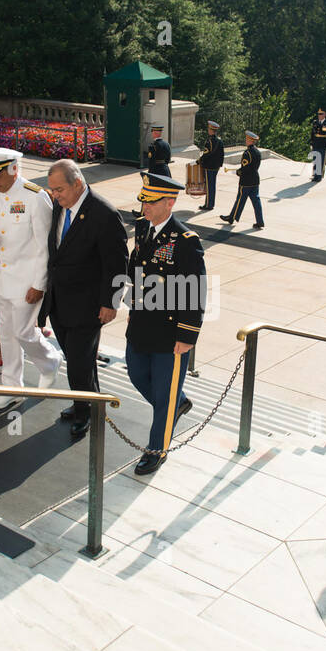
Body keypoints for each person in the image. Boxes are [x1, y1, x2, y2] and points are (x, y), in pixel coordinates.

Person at [124, 174, 205, 475]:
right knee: (136, 374)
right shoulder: (143, 228)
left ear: (169, 203)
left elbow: (195, 291)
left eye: (151, 200)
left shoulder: (186, 241)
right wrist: (132, 306)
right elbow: (136, 271)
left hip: (170, 334)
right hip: (142, 324)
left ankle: (157, 450)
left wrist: (187, 335)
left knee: (164, 393)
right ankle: (177, 403)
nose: (144, 205)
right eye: (143, 198)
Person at [45, 159, 128, 440]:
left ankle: (86, 415)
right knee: (77, 359)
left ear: (77, 184)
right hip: (59, 300)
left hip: (88, 305)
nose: (55, 195)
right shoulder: (60, 205)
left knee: (80, 362)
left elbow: (117, 264)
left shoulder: (104, 214)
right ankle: (86, 402)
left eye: (59, 190)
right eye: (52, 190)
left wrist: (111, 303)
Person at [0, 148, 62, 409]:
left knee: (24, 332)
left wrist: (39, 284)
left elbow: (46, 246)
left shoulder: (35, 197)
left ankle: (50, 361)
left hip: (28, 279)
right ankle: (12, 386)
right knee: (6, 334)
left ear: (13, 169)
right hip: (2, 277)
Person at [220, 130, 263, 229]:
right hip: (255, 180)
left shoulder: (247, 153)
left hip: (246, 181)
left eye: (247, 139)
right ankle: (260, 221)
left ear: (249, 140)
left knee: (239, 200)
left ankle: (231, 218)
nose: (245, 140)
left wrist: (238, 172)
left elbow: (245, 168)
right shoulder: (257, 152)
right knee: (256, 202)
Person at [197, 119, 224, 210]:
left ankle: (209, 205)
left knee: (209, 186)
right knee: (212, 185)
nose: (208, 130)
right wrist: (220, 165)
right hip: (215, 167)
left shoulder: (209, 141)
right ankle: (209, 203)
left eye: (209, 129)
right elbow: (222, 154)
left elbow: (206, 154)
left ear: (211, 130)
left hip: (209, 166)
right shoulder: (219, 141)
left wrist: (200, 161)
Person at [309, 108, 326, 182]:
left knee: (320, 160)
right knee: (315, 160)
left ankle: (319, 176)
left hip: (323, 144)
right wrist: (311, 143)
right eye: (318, 114)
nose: (319, 115)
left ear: (324, 115)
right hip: (316, 144)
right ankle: (315, 175)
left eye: (321, 114)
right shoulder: (315, 123)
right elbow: (312, 134)